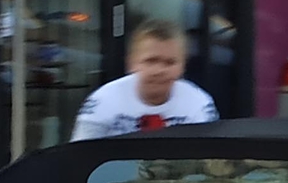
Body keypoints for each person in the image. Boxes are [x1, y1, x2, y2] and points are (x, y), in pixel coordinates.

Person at [73, 19, 219, 138]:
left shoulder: (199, 104)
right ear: (132, 63)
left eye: (170, 62)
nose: (159, 70)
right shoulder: (101, 102)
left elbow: (209, 160)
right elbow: (79, 156)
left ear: (183, 66)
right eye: (151, 61)